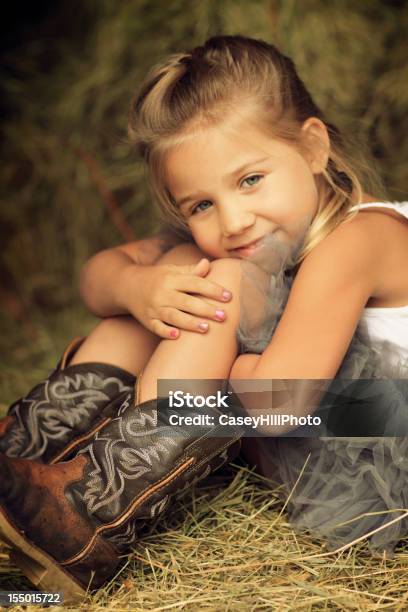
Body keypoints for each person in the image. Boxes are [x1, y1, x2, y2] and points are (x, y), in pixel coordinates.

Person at [0, 35, 407, 601]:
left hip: (372, 438)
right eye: (200, 205)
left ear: (314, 149)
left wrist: (224, 354)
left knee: (214, 285)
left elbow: (279, 403)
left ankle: (92, 509)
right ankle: (24, 460)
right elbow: (98, 280)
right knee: (173, 280)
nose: (234, 220)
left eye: (249, 180)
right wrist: (138, 288)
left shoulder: (360, 237)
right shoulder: (246, 240)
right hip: (288, 419)